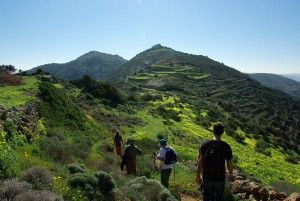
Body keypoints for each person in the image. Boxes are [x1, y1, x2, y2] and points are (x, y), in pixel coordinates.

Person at [195, 123, 233, 201]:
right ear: (222, 132)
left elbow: (200, 161)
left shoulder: (205, 144)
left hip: (207, 176)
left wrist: (198, 175)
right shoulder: (226, 146)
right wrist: (230, 172)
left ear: (213, 131)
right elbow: (229, 163)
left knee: (206, 196)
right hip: (220, 177)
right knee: (219, 197)